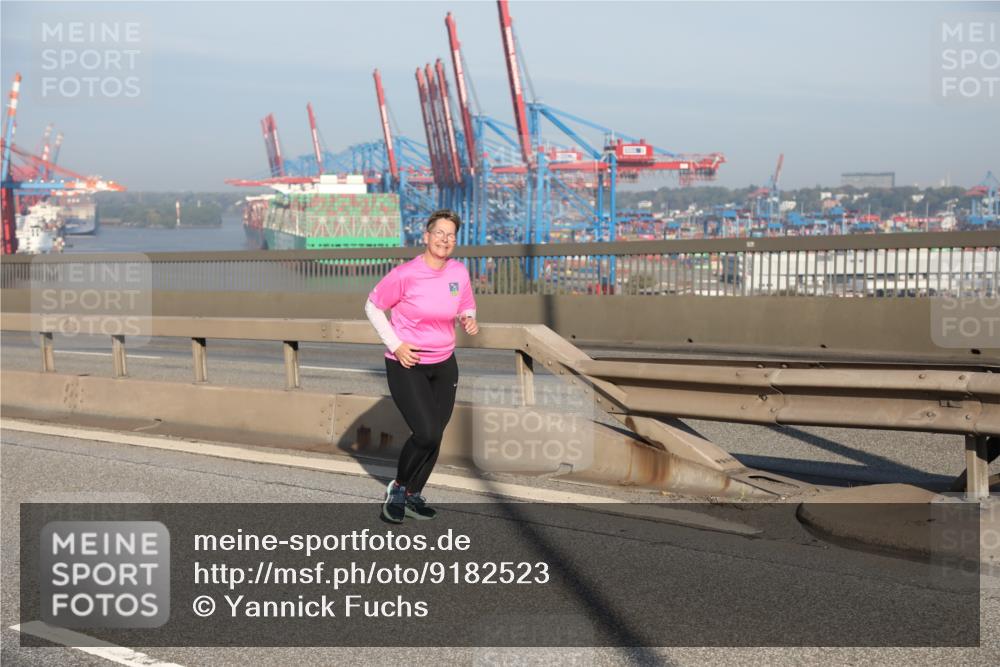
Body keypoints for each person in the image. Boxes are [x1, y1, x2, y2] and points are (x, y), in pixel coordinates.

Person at [365, 209, 478, 523]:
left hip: (444, 364)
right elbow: (372, 306)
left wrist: (468, 318)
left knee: (436, 435)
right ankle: (399, 488)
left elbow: (466, 304)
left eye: (451, 235)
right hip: (407, 363)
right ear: (426, 237)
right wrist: (396, 345)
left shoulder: (458, 272)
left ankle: (414, 495)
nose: (445, 239)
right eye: (439, 233)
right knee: (426, 433)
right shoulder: (406, 274)